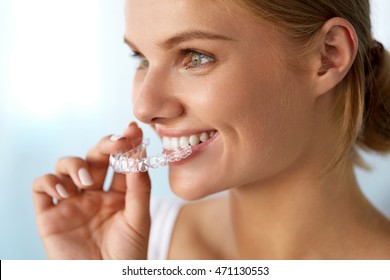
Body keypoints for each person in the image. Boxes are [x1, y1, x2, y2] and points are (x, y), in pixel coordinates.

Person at [32, 0, 390, 259]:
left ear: (328, 56)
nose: (144, 107)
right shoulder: (129, 243)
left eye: (195, 56)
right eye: (141, 59)